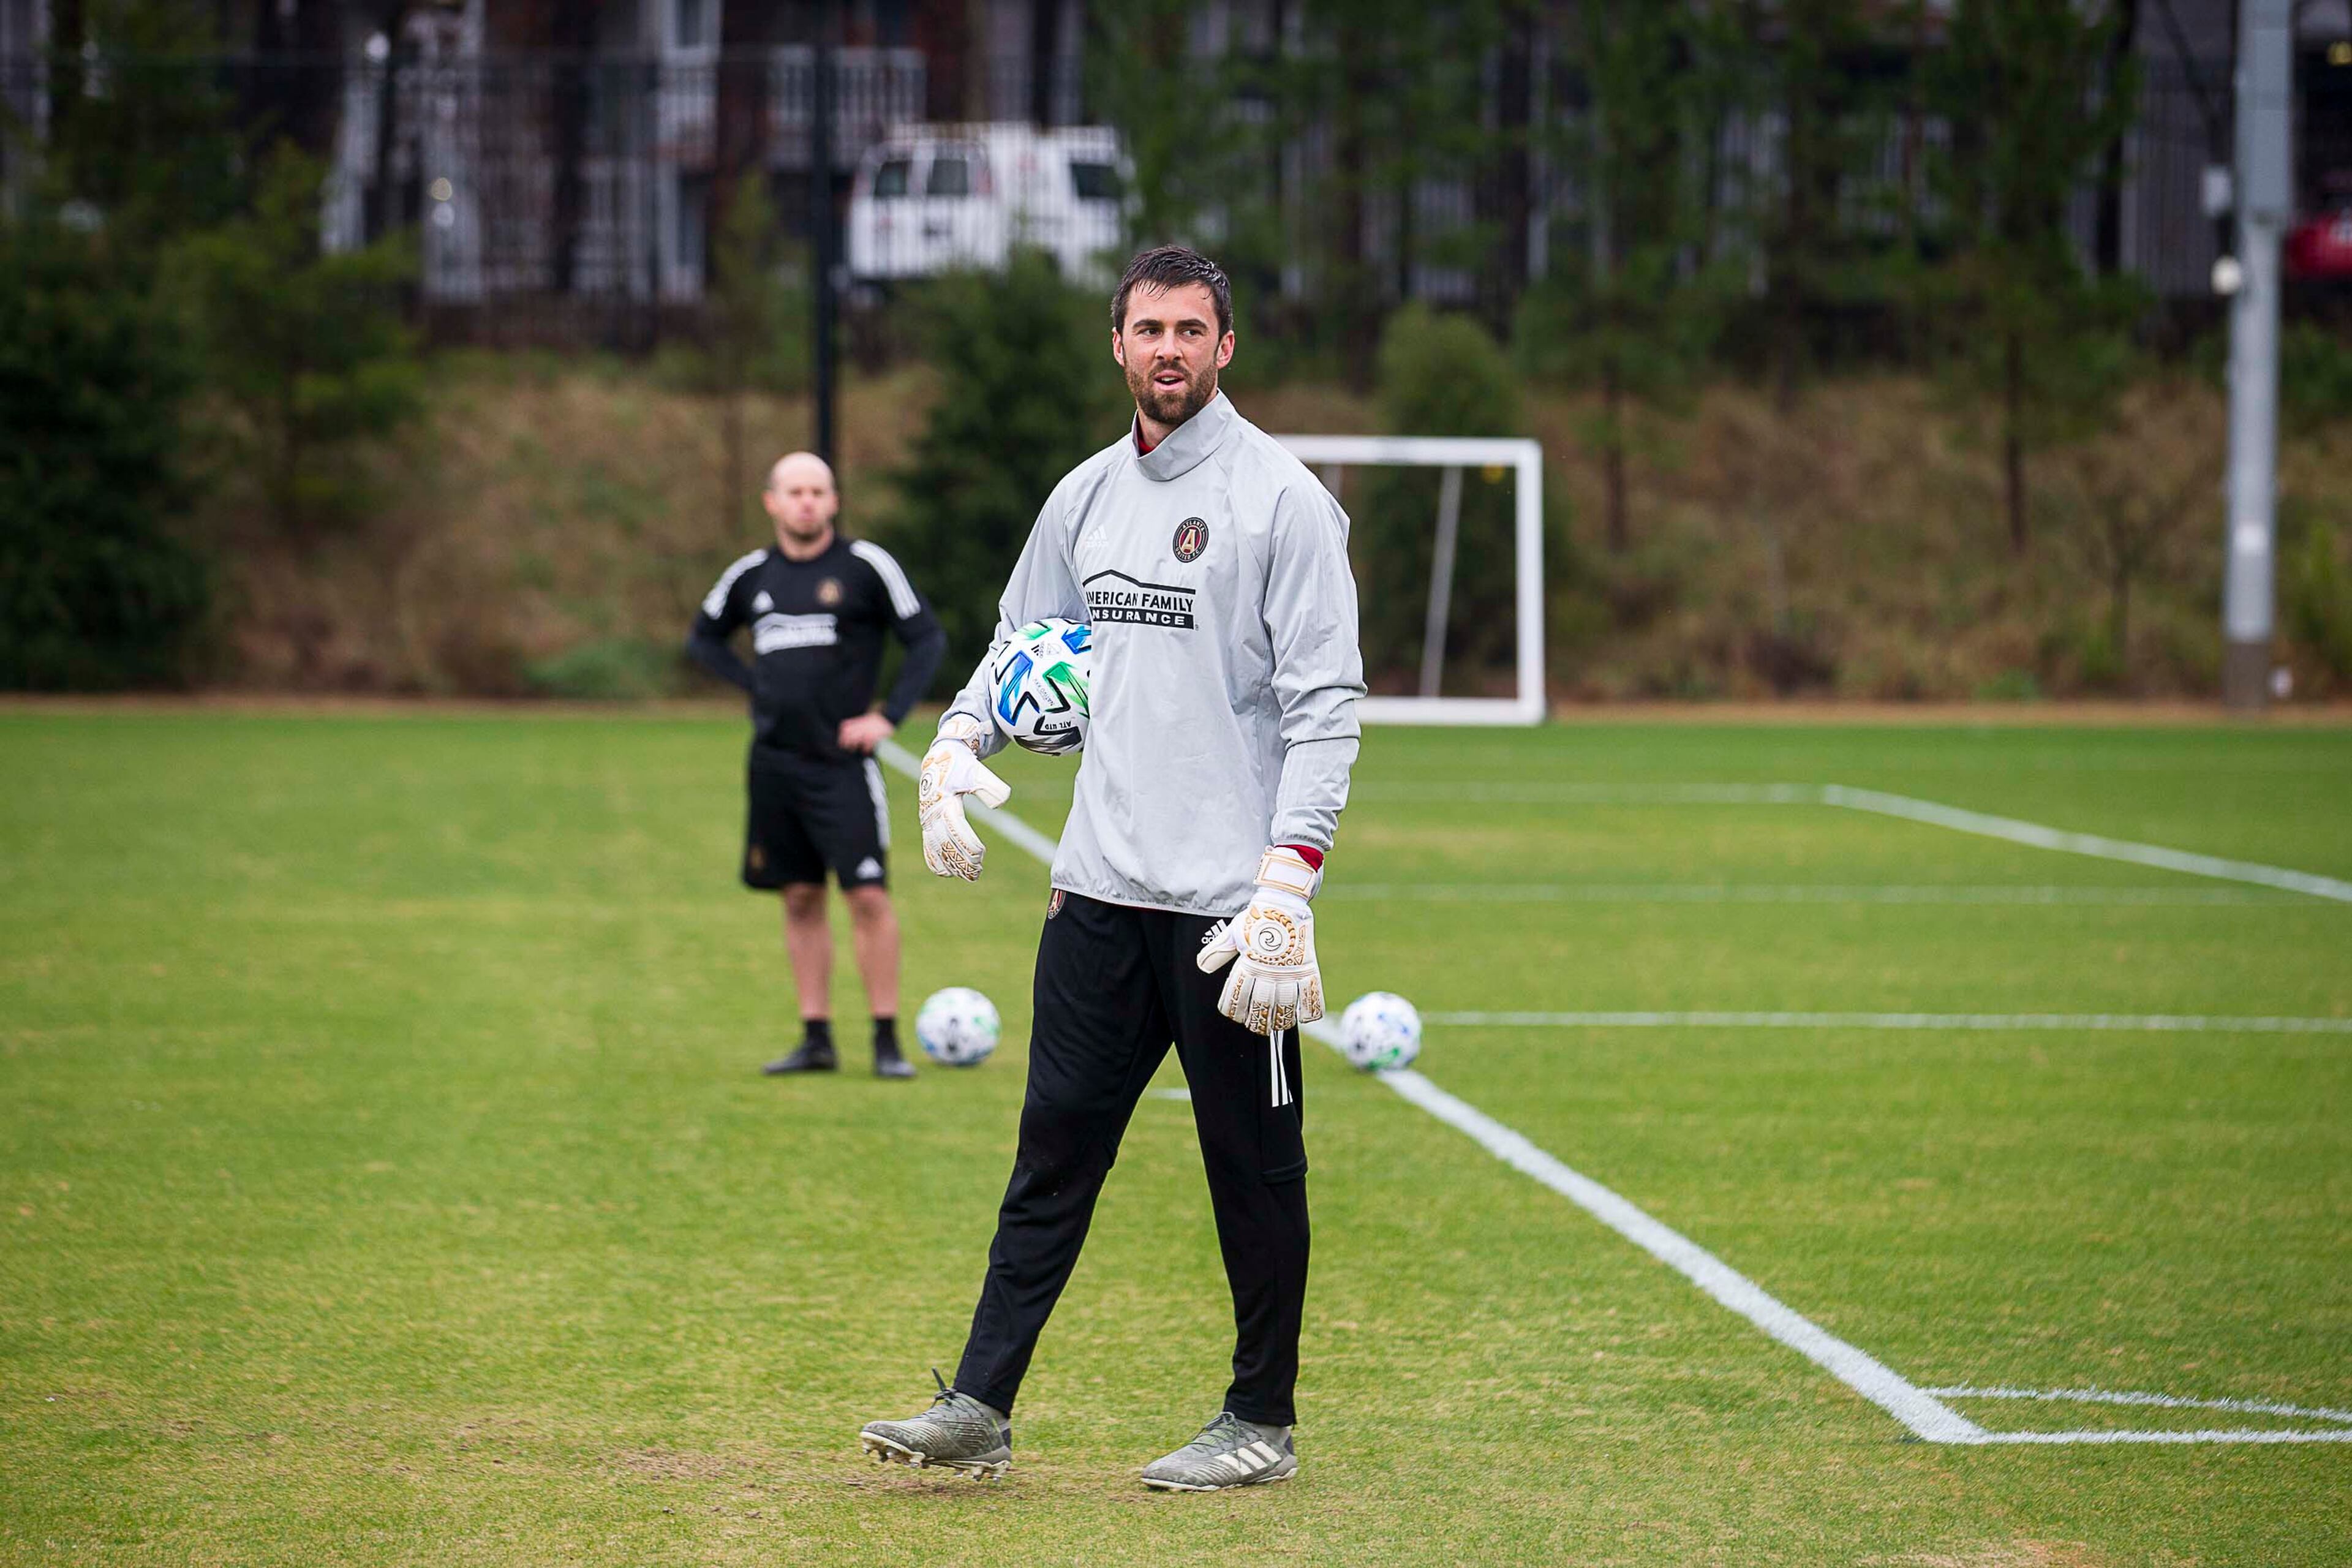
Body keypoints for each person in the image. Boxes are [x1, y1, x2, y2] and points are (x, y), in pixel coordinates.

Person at [856, 246, 1364, 1490]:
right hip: (1095, 895)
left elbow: (1328, 703)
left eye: (1194, 329)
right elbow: (1022, 644)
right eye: (1150, 329)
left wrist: (1287, 880)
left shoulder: (1282, 501)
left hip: (1228, 915)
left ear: (1227, 346)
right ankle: (980, 1404)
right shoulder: (1082, 497)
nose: (1171, 350)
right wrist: (958, 741)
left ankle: (1262, 1420)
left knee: (1252, 1167)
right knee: (1053, 1152)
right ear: (1119, 344)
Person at [687, 451, 946, 1079]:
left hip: (843, 765)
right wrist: (756, 687)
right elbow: (702, 637)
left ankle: (885, 1040)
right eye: (795, 491)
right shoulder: (751, 575)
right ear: (772, 501)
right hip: (775, 764)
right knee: (799, 896)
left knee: (867, 895)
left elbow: (926, 638)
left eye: (819, 490)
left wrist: (887, 716)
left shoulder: (866, 567)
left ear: (833, 501)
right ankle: (816, 1037)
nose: (807, 501)